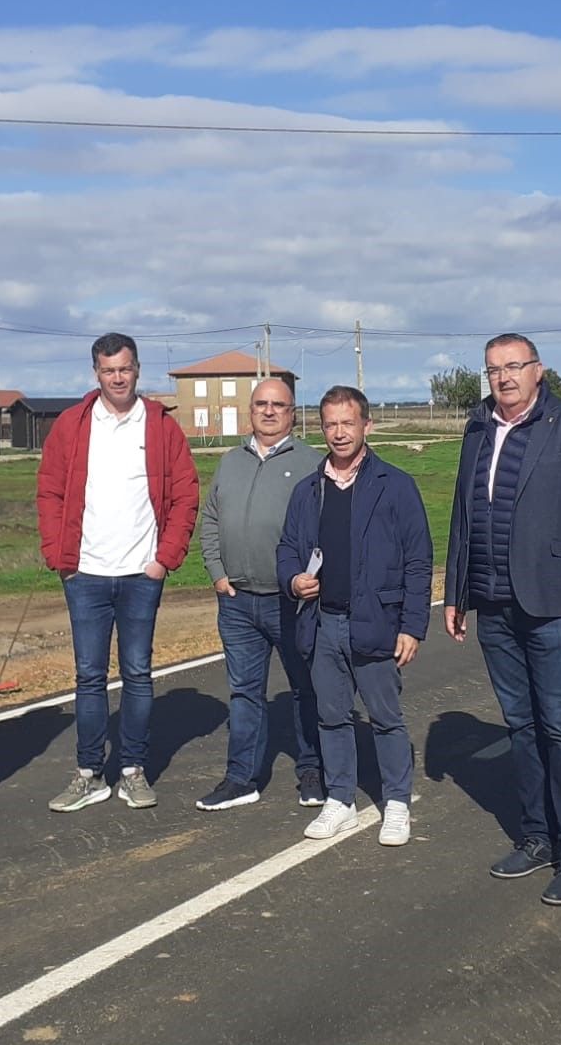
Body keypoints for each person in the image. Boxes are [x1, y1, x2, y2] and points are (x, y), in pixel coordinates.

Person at [443, 333, 561, 907]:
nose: (503, 377)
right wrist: (456, 591)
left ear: (538, 371)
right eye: (493, 369)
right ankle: (537, 836)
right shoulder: (477, 428)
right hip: (493, 604)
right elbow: (463, 514)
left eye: (514, 366)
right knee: (521, 725)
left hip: (551, 604)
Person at [37, 333, 200, 812]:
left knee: (137, 672)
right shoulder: (72, 425)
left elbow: (185, 495)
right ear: (96, 373)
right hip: (84, 572)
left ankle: (131, 769)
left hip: (140, 574)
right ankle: (89, 773)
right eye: (109, 370)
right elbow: (49, 492)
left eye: (125, 369)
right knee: (89, 676)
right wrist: (58, 557)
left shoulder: (160, 426)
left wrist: (163, 559)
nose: (118, 378)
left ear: (137, 369)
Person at [276, 387, 433, 845]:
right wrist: (292, 580)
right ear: (320, 427)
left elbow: (418, 560)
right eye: (330, 424)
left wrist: (412, 625)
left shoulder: (395, 485)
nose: (339, 433)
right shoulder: (309, 489)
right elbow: (288, 547)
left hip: (378, 621)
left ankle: (397, 801)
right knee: (331, 716)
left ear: (367, 425)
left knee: (385, 716)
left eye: (348, 423)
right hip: (323, 621)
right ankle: (340, 798)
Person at [195, 376, 326, 811]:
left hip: (290, 601)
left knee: (306, 688)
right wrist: (217, 573)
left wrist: (309, 580)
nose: (269, 412)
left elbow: (324, 529)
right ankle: (241, 778)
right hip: (237, 601)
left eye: (279, 405)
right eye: (261, 405)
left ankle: (313, 770)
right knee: (244, 692)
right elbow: (210, 519)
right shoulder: (231, 461)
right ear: (251, 411)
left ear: (293, 412)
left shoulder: (310, 463)